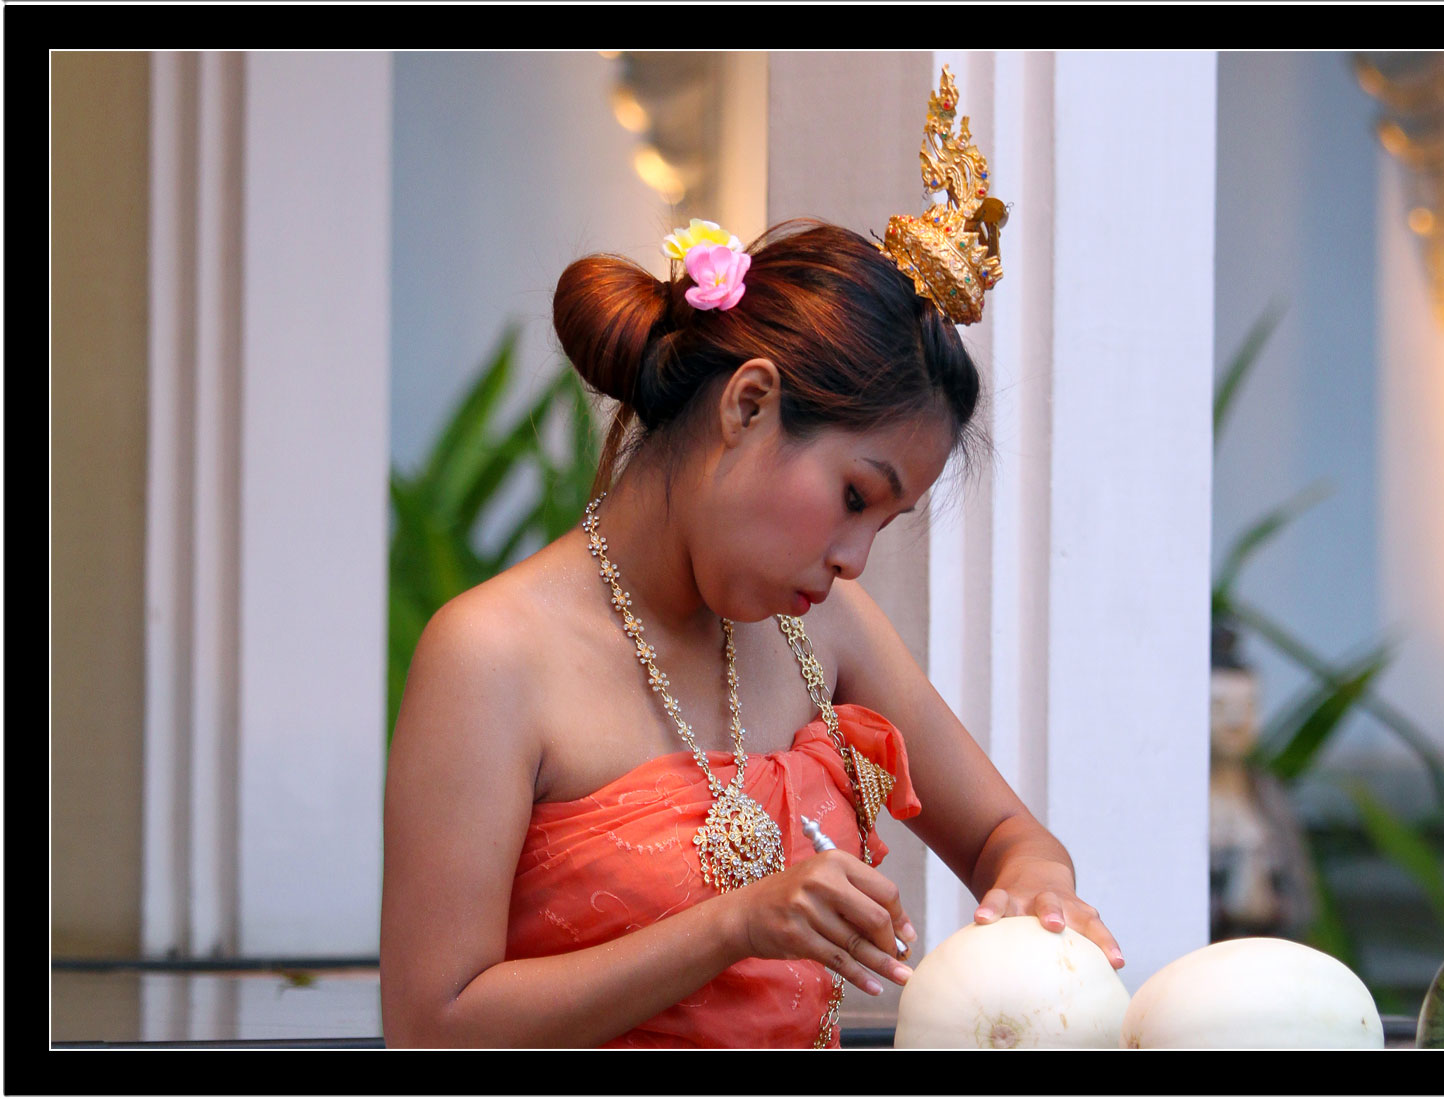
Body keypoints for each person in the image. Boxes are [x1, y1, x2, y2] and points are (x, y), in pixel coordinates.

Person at [379, 70, 1123, 1049]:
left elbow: (1005, 837)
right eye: (854, 496)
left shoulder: (820, 626)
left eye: (884, 523)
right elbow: (433, 1026)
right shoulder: (492, 654)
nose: (853, 557)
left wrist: (1038, 883)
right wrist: (736, 921)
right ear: (748, 403)